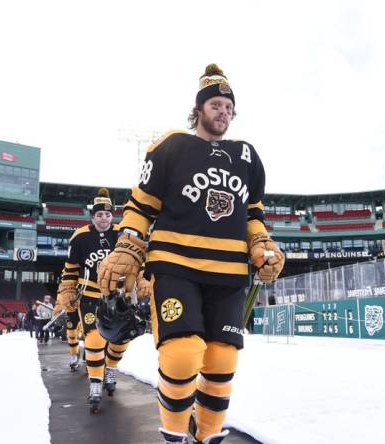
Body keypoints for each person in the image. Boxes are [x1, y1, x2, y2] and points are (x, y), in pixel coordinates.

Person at [98, 64, 284, 443]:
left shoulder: (247, 156)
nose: (224, 112)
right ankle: (175, 437)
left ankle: (209, 435)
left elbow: (252, 214)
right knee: (183, 355)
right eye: (216, 104)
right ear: (198, 109)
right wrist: (129, 245)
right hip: (176, 265)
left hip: (229, 273)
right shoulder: (171, 145)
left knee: (222, 360)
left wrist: (261, 242)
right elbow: (142, 204)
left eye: (229, 108)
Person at [54, 188, 149, 412]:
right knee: (95, 340)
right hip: (90, 295)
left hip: (119, 295)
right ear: (92, 216)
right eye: (99, 215)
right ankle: (95, 384)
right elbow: (71, 268)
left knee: (121, 338)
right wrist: (67, 289)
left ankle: (111, 370)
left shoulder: (122, 234)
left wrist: (143, 279)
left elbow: (138, 260)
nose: (103, 219)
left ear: (111, 216)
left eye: (107, 215)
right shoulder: (79, 237)